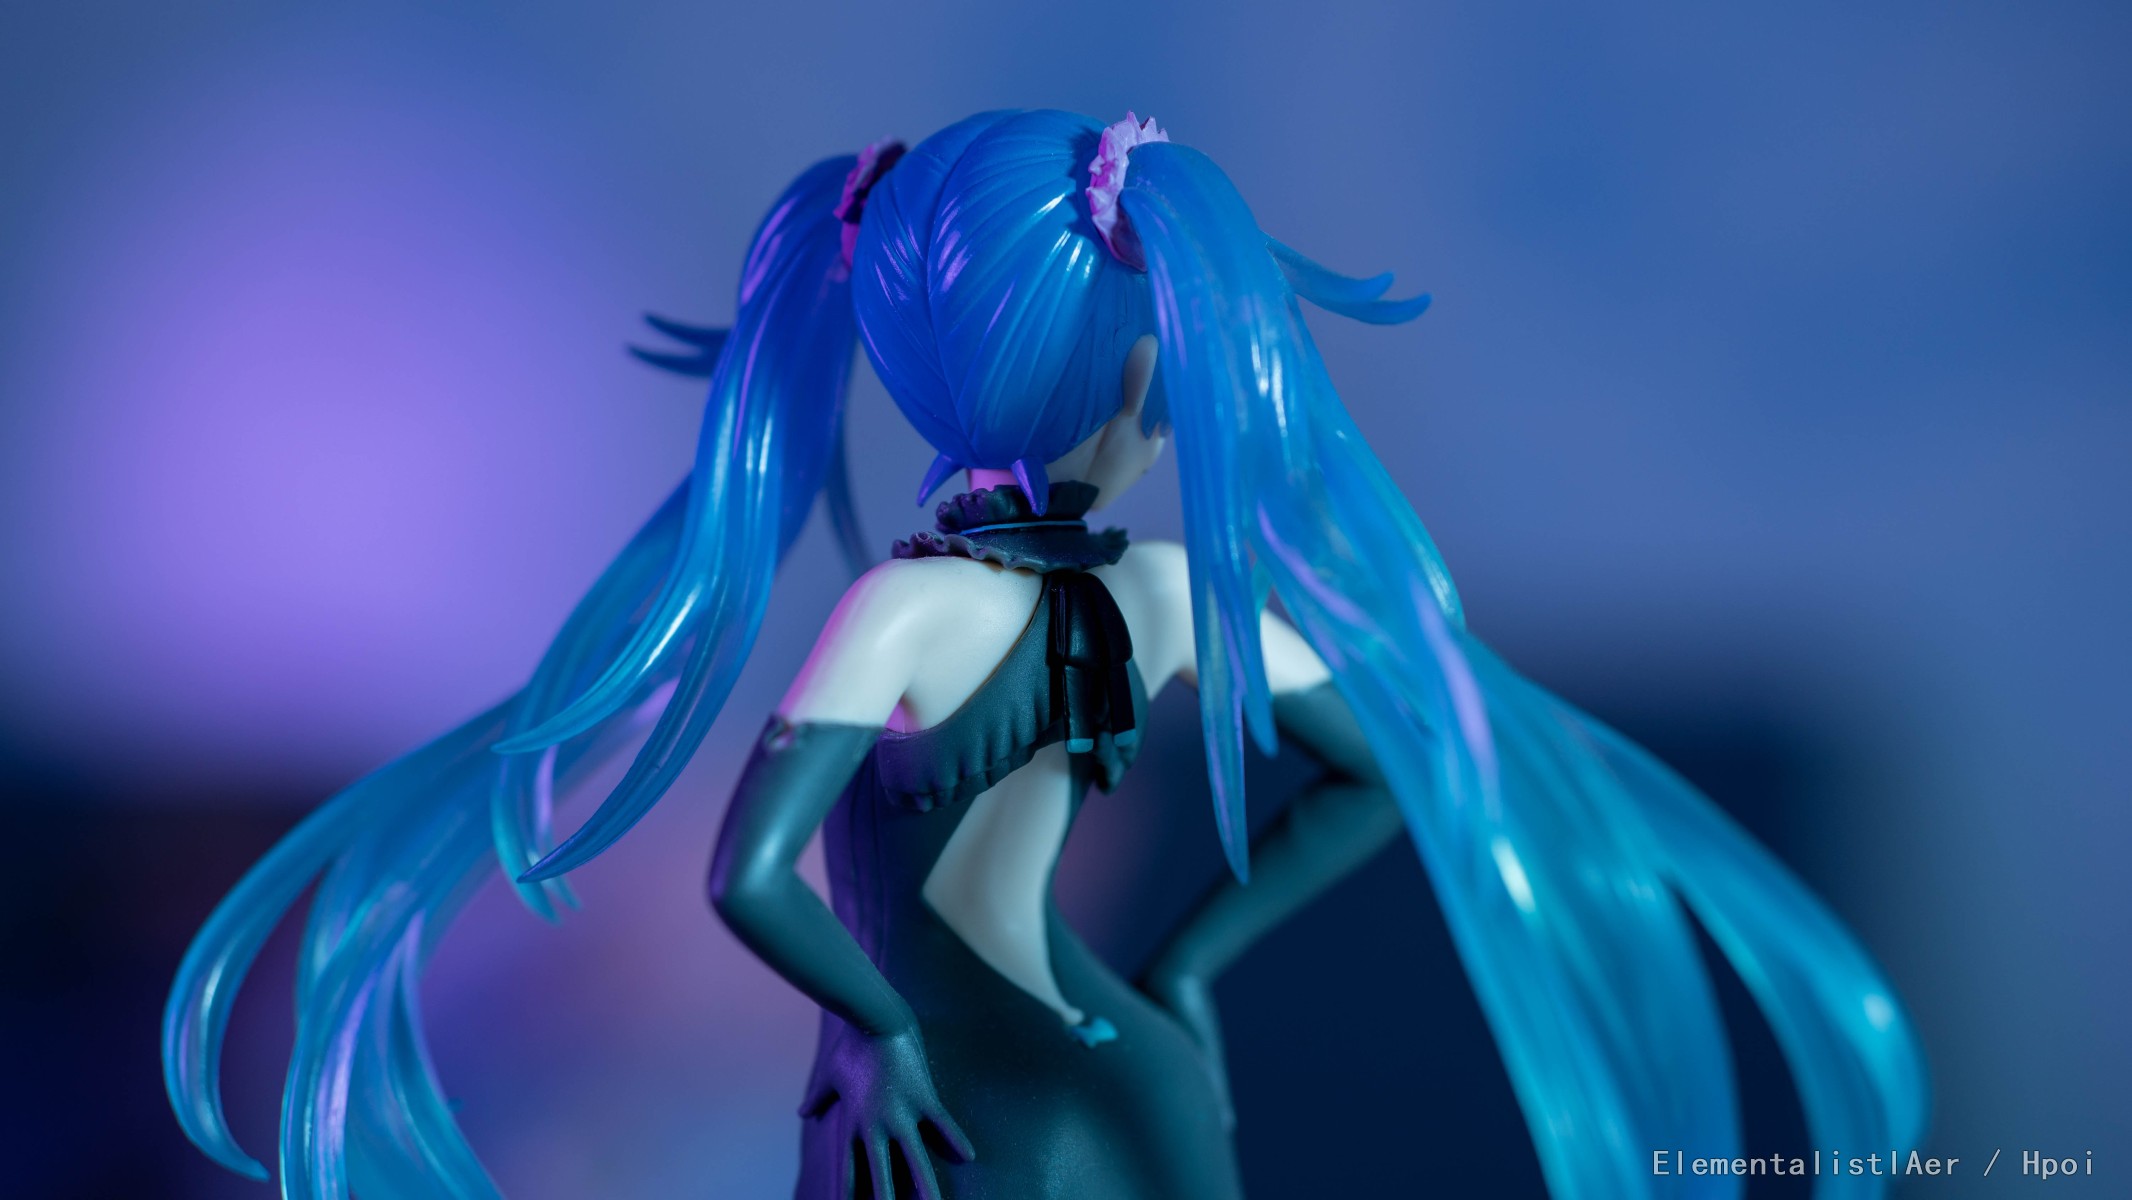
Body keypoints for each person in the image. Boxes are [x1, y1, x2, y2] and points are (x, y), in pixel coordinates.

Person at [166, 109, 1927, 1199]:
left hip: (938, 1099)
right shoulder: (1161, 599)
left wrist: (877, 1033)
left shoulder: (909, 613)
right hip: (1119, 1054)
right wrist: (1187, 961)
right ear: (1145, 385)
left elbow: (750, 878)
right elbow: (1377, 782)